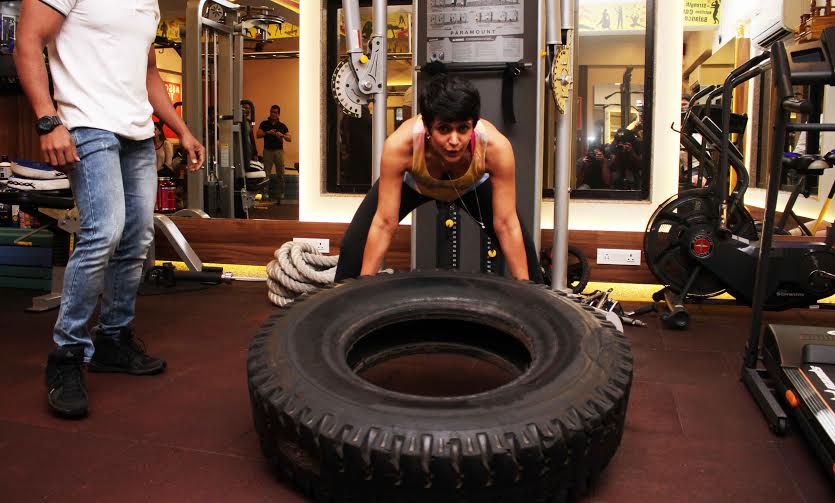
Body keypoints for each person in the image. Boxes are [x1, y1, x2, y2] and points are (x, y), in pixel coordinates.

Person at [15, 0, 205, 418]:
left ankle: (113, 340)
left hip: (137, 134)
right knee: (104, 231)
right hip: (86, 124)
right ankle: (67, 355)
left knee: (137, 237)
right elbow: (27, 40)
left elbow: (149, 73)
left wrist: (182, 130)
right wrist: (48, 120)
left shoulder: (149, 4)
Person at [334, 74, 543, 283]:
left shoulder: (496, 148)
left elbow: (506, 224)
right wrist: (363, 287)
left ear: (474, 124)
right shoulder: (400, 147)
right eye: (444, 129)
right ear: (427, 127)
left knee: (527, 260)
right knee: (353, 248)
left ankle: (538, 309)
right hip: (415, 183)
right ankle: (339, 311)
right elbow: (384, 223)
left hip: (470, 185)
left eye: (463, 129)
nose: (454, 141)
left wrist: (525, 289)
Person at [257, 104, 291, 201]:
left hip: (278, 151)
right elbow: (258, 134)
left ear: (278, 114)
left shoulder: (282, 126)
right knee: (266, 173)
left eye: (275, 112)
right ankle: (265, 194)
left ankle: (281, 194)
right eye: (272, 112)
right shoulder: (264, 123)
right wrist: (267, 132)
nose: (273, 114)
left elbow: (290, 138)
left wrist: (282, 135)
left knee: (280, 173)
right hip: (267, 151)